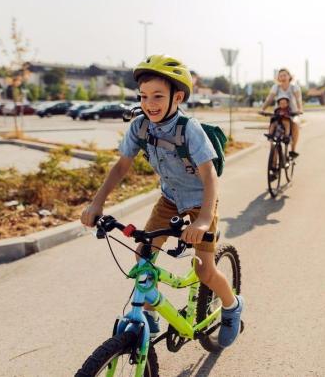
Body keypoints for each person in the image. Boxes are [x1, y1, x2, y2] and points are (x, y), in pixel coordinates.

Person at [81, 54, 243, 348]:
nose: (149, 103)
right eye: (143, 96)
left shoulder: (188, 129)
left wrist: (204, 219)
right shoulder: (140, 126)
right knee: (143, 255)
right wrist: (96, 204)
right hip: (169, 198)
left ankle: (232, 306)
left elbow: (209, 177)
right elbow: (120, 167)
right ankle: (151, 316)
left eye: (158, 96)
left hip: (199, 200)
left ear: (177, 97)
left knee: (203, 269)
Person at [260, 68, 304, 157]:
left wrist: (300, 109)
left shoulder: (294, 87)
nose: (283, 77)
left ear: (289, 76)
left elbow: (298, 99)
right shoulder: (276, 87)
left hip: (292, 112)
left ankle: (293, 150)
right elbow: (270, 99)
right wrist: (263, 109)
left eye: (285, 75)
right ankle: (273, 158)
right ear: (278, 78)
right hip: (279, 113)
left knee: (295, 124)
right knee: (273, 127)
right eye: (280, 76)